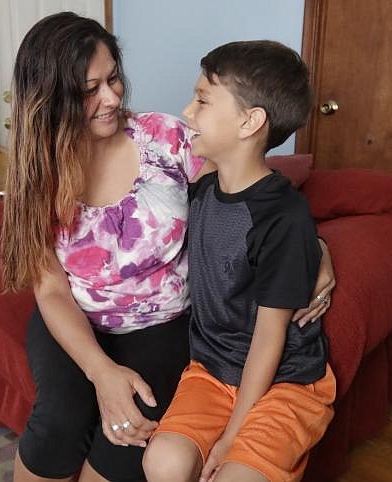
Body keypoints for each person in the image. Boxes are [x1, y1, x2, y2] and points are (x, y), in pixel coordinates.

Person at [0, 12, 334, 482]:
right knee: (57, 420)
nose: (112, 97)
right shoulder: (36, 175)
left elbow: (245, 205)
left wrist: (316, 248)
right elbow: (50, 290)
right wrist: (101, 372)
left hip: (162, 324)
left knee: (130, 432)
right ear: (51, 98)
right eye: (90, 89)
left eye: (114, 78)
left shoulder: (166, 140)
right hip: (74, 318)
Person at [142, 41, 336, 482]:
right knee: (162, 461)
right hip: (211, 370)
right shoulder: (203, 190)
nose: (187, 112)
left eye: (203, 100)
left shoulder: (284, 218)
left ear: (250, 122)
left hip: (286, 380)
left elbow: (270, 338)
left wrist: (232, 435)